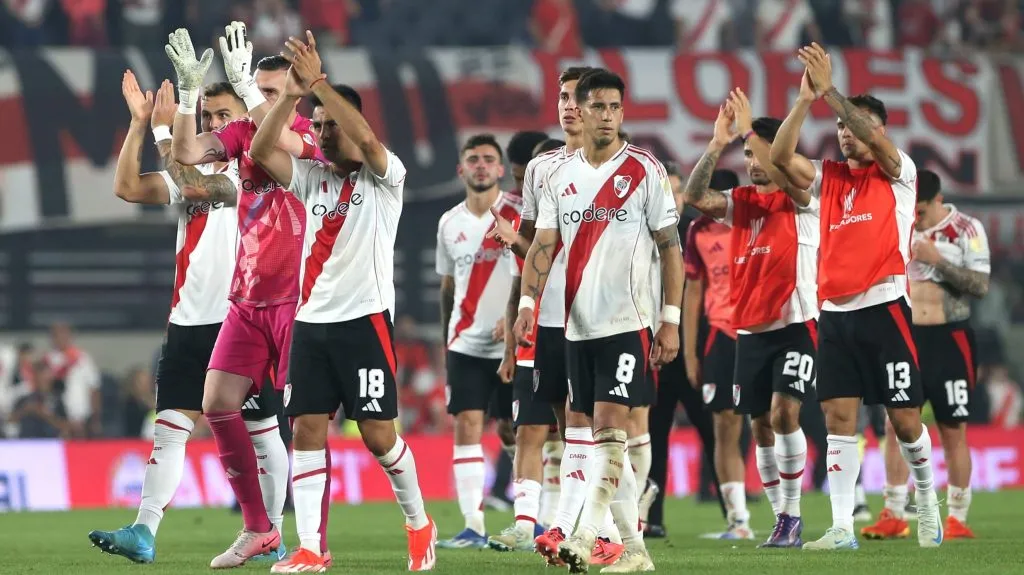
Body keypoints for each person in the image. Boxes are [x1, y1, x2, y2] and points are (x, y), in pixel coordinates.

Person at [247, 31, 438, 572]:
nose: (324, 134)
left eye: (333, 124)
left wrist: (321, 84)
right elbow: (260, 150)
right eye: (319, 126)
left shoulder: (386, 177)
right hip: (311, 324)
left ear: (353, 125)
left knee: (379, 437)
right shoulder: (311, 179)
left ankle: (419, 522)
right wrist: (291, 95)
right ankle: (311, 547)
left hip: (364, 323)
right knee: (306, 430)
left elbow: (369, 142)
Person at [89, 73, 288, 564]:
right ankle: (143, 531)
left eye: (224, 116)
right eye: (208, 117)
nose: (214, 124)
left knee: (262, 431)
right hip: (186, 324)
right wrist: (139, 125)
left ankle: (273, 533)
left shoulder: (255, 172)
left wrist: (163, 131)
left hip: (241, 321)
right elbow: (128, 187)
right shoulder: (192, 175)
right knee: (169, 431)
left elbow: (191, 183)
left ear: (244, 120)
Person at [770, 42, 942, 550]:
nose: (845, 132)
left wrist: (832, 94)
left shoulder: (900, 174)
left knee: (904, 419)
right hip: (835, 315)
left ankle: (927, 502)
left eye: (854, 125)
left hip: (885, 308)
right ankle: (842, 526)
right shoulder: (829, 177)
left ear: (879, 130)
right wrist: (805, 101)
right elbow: (779, 158)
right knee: (838, 422)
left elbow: (871, 137)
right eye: (840, 126)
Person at [166, 23, 326, 567]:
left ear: (295, 95)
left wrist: (249, 95)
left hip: (300, 298)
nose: (263, 99)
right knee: (217, 405)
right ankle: (259, 528)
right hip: (247, 296)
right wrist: (188, 96)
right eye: (257, 90)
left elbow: (270, 143)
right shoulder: (241, 133)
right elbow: (187, 152)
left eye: (272, 92)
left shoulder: (310, 135)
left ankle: (315, 544)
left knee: (308, 421)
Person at [515, 68, 681, 573]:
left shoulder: (645, 169)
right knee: (589, 437)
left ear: (621, 113)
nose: (607, 116)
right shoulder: (557, 175)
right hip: (575, 327)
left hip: (626, 323)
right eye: (597, 107)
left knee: (610, 430)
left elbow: (670, 248)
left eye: (614, 107)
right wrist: (526, 305)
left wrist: (671, 319)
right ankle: (635, 551)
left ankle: (586, 534)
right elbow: (543, 246)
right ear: (579, 112)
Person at [683, 90, 819, 547]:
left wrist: (748, 131)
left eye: (759, 151)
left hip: (796, 324)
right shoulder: (740, 202)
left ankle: (793, 516)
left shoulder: (803, 199)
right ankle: (781, 520)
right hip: (749, 330)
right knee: (760, 426)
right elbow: (694, 196)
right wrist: (717, 143)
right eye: (747, 154)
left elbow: (783, 169)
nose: (752, 160)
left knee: (784, 414)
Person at [862, 169, 989, 541]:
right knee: (896, 424)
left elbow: (980, 285)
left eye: (920, 212)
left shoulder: (966, 229)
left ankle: (958, 518)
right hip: (907, 337)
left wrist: (938, 261)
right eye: (912, 211)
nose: (915, 218)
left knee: (952, 429)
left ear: (938, 201)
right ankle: (893, 512)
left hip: (950, 338)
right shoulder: (898, 221)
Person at [435, 133, 521, 549]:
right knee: (466, 425)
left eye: (489, 159)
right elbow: (448, 286)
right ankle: (473, 525)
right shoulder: (449, 223)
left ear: (501, 169)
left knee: (514, 430)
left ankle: (532, 519)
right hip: (465, 344)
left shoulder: (519, 214)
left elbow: (537, 270)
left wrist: (516, 317)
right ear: (461, 169)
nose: (481, 165)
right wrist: (445, 341)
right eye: (473, 159)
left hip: (513, 346)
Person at [646, 165, 732, 538]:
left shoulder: (694, 232)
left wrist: (699, 352)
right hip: (654, 353)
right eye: (665, 191)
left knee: (714, 434)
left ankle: (735, 518)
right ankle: (651, 519)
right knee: (653, 437)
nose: (673, 199)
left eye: (677, 192)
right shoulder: (640, 233)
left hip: (694, 352)